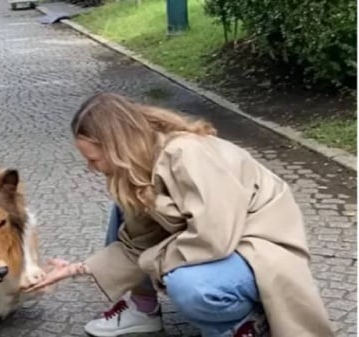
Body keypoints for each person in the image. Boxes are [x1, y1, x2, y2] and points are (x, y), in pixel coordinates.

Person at [26, 92, 334, 337]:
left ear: (117, 147)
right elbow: (135, 243)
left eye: (94, 159)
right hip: (226, 240)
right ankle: (142, 308)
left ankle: (245, 325)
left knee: (189, 285)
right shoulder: (138, 169)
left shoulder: (187, 153)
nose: (90, 168)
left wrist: (154, 262)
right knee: (123, 209)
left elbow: (213, 238)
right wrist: (77, 270)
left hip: (260, 245)